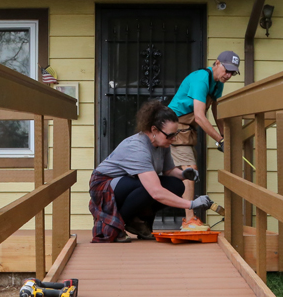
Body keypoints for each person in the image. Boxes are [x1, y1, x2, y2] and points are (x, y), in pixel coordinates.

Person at [89, 101, 213, 243]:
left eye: (176, 134)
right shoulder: (138, 147)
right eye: (170, 135)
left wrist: (183, 174)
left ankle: (136, 221)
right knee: (148, 187)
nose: (173, 139)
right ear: (154, 130)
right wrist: (191, 204)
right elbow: (155, 191)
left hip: (128, 183)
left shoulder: (162, 144)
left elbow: (168, 171)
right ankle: (120, 221)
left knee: (176, 185)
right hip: (104, 186)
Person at [168, 50, 240, 231]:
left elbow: (217, 111)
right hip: (172, 127)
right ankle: (189, 220)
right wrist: (219, 140)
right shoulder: (201, 78)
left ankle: (189, 218)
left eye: (233, 72)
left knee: (183, 173)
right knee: (190, 171)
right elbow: (200, 117)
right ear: (216, 63)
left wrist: (225, 137)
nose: (229, 75)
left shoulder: (218, 83)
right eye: (227, 70)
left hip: (185, 130)